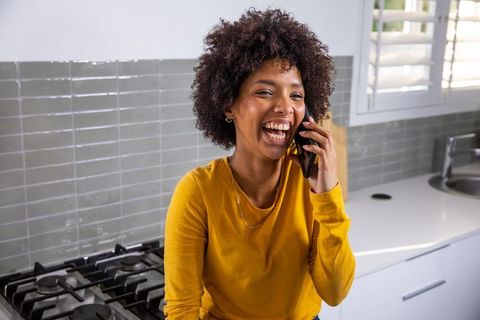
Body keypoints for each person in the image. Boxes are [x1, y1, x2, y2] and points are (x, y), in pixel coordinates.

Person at [163, 8, 355, 320]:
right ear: (229, 104)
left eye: (296, 95)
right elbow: (182, 310)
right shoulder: (197, 192)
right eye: (264, 91)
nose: (284, 107)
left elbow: (334, 293)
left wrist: (328, 194)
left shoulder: (313, 188)